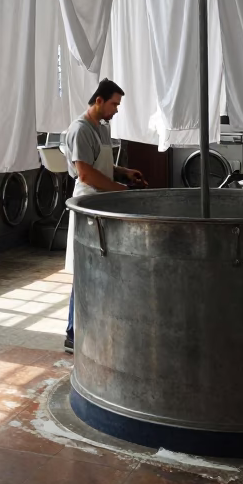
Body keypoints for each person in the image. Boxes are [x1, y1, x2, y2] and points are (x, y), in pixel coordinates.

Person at [63, 78, 146, 353]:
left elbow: (104, 164)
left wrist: (123, 172)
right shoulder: (80, 130)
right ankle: (73, 333)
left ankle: (95, 327)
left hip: (104, 201)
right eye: (114, 104)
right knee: (85, 269)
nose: (116, 110)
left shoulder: (102, 128)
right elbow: (86, 173)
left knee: (100, 266)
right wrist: (122, 191)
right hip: (89, 201)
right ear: (99, 100)